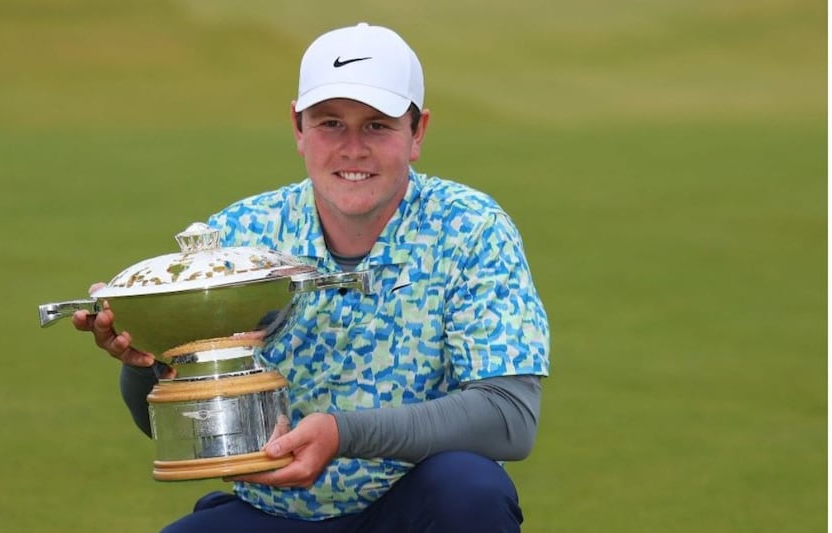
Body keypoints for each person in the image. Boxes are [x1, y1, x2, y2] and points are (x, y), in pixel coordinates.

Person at [73, 22, 550, 532]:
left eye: (377, 125)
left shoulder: (471, 228)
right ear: (298, 128)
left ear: (418, 133)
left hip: (413, 509)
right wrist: (146, 358)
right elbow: (165, 424)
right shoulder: (241, 234)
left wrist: (342, 434)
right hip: (275, 512)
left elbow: (509, 417)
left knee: (470, 490)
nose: (352, 148)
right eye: (330, 123)